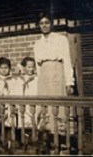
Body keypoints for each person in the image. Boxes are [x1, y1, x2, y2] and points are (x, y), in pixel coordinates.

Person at [33, 12, 75, 144]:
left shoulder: (61, 39)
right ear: (38, 25)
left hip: (58, 73)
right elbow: (38, 66)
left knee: (58, 106)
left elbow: (67, 60)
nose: (44, 26)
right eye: (41, 23)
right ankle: (48, 139)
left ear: (51, 24)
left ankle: (62, 141)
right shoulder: (37, 43)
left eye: (46, 23)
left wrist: (70, 82)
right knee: (45, 107)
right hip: (44, 76)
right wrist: (39, 82)